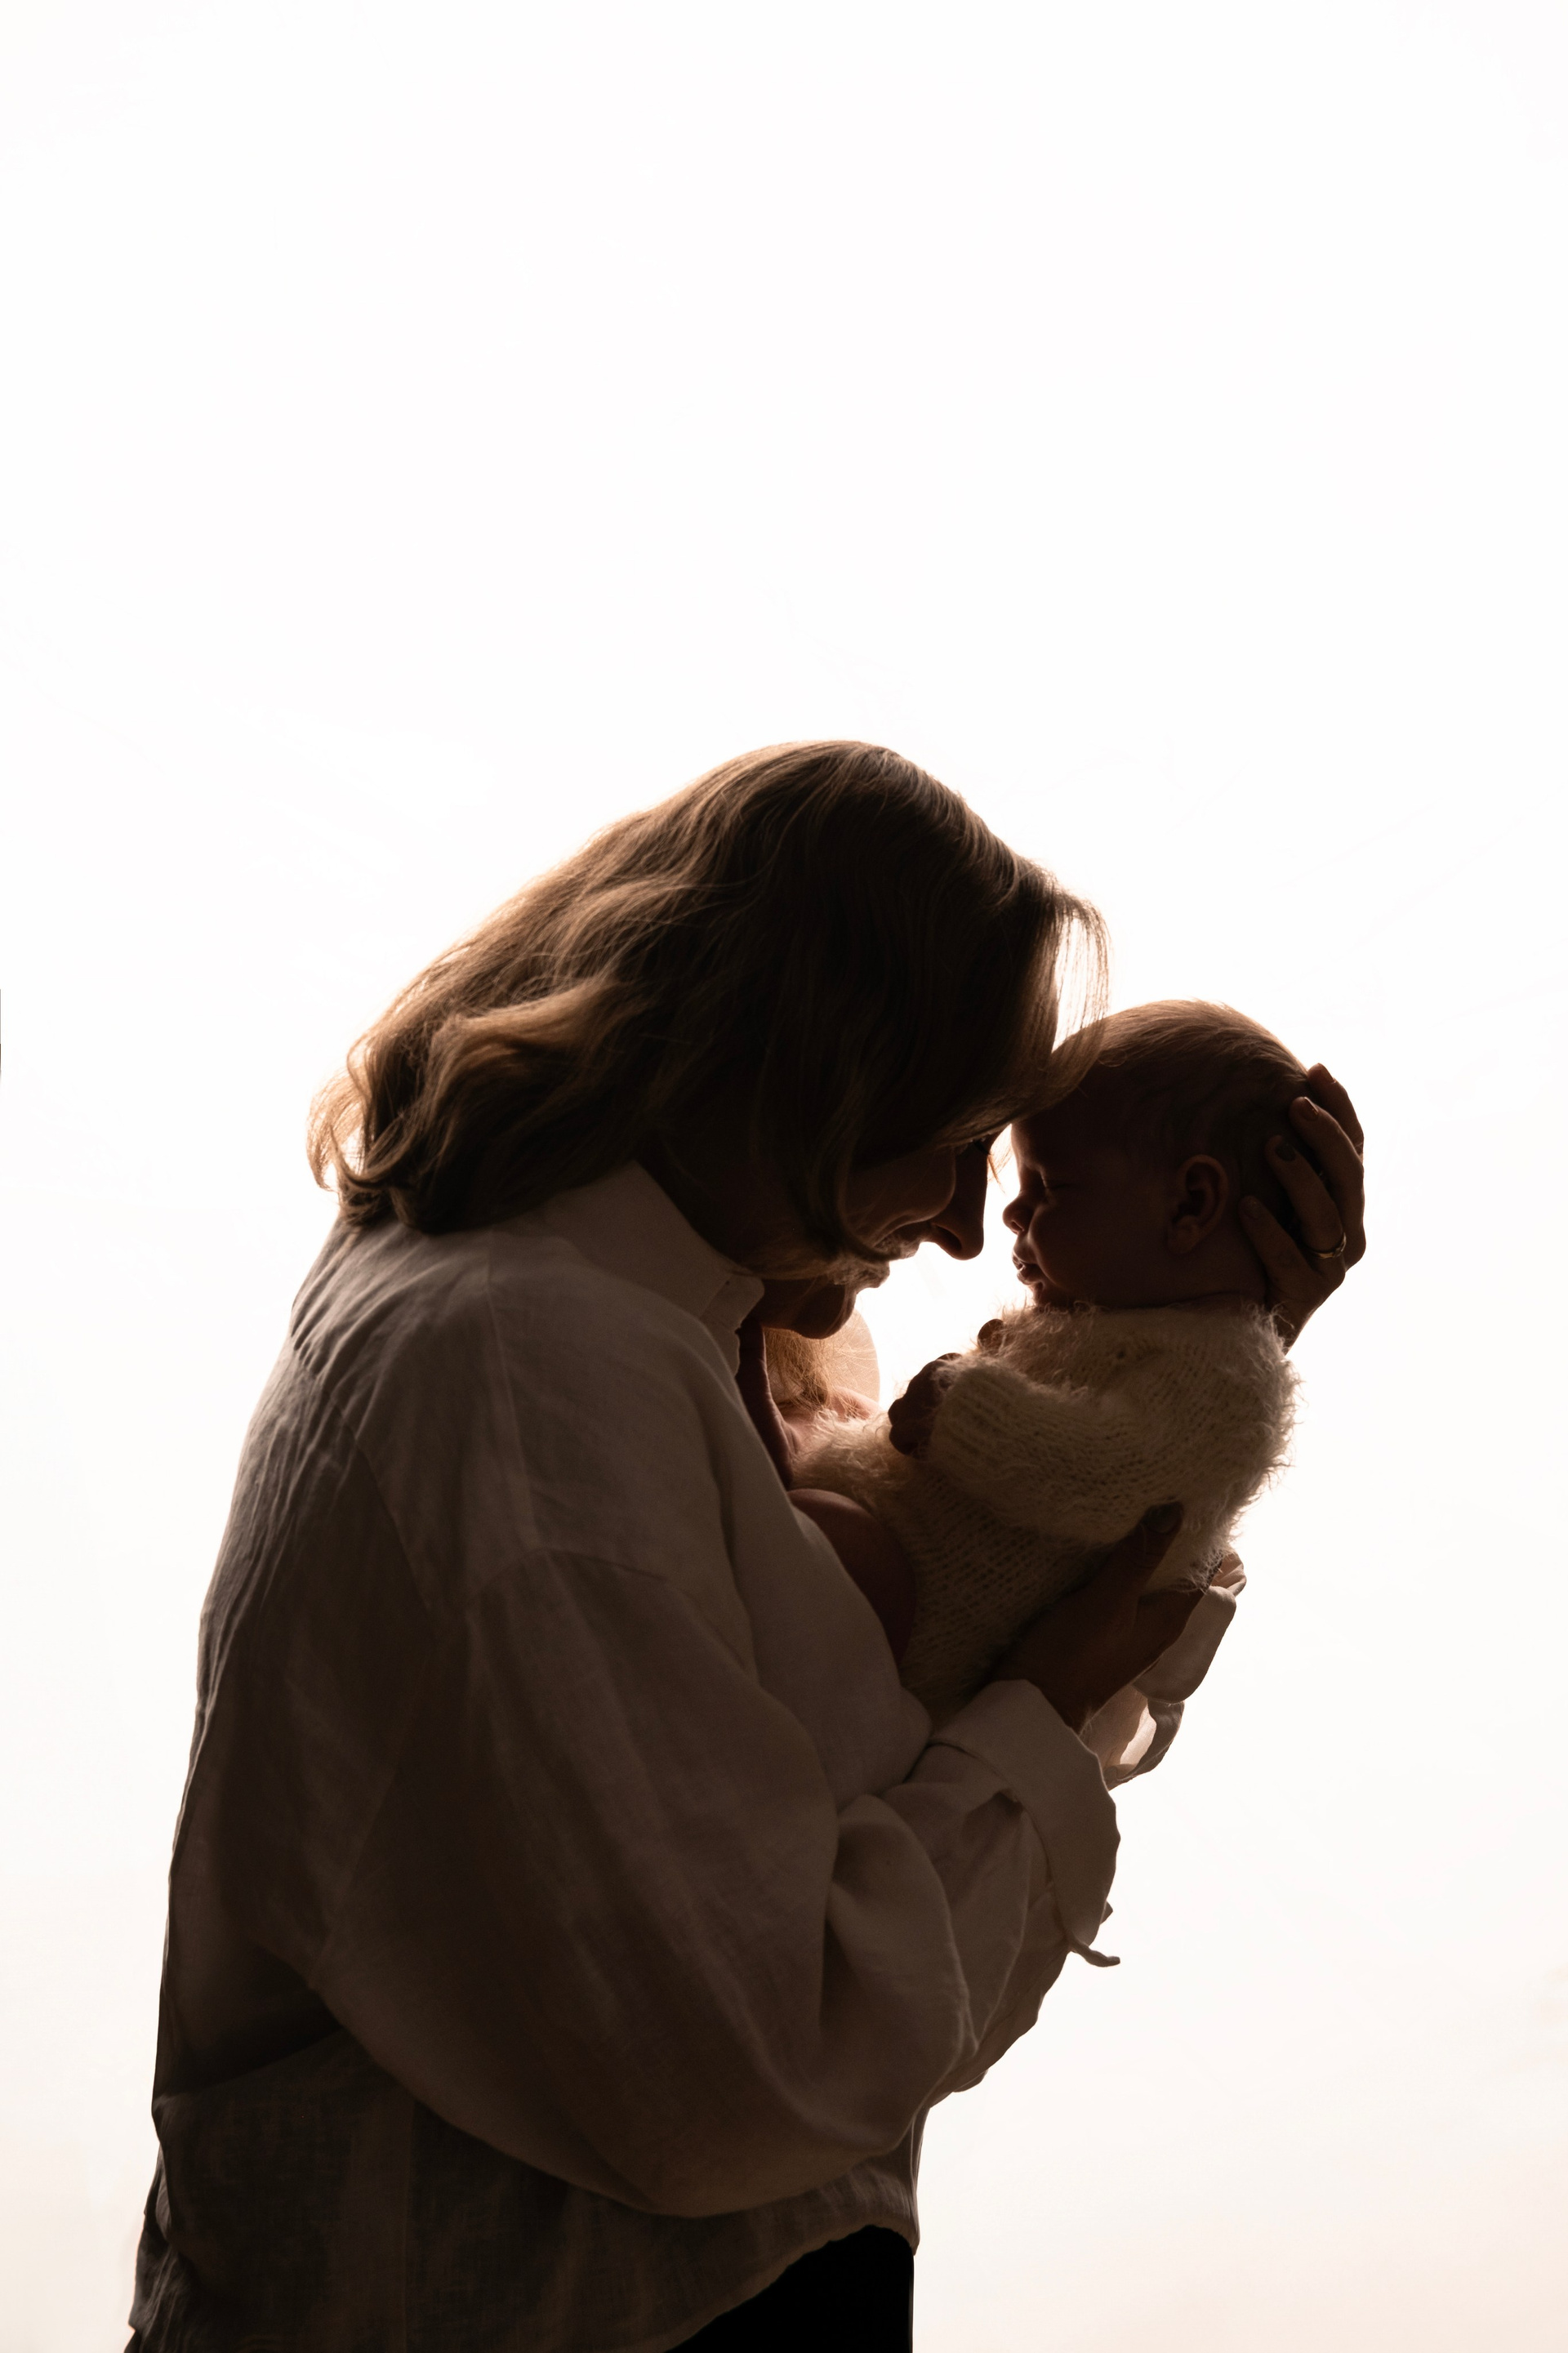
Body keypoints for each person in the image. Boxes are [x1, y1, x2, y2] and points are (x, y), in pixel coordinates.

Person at [127, 743, 1365, 2353]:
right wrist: (1049, 1706)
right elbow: (750, 2061)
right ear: (803, 1074)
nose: (965, 1228)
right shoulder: (531, 1376)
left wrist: (1193, 1347)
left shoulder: (671, 1307)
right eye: (951, 1142)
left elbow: (882, 1691)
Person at [796, 1000, 1330, 1761]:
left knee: (820, 1530)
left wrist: (963, 1409)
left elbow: (1110, 1476)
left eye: (1047, 1186)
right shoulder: (1140, 1330)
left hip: (913, 1616)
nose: (1009, 1214)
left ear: (1190, 1203)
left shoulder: (1226, 1376)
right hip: (897, 1591)